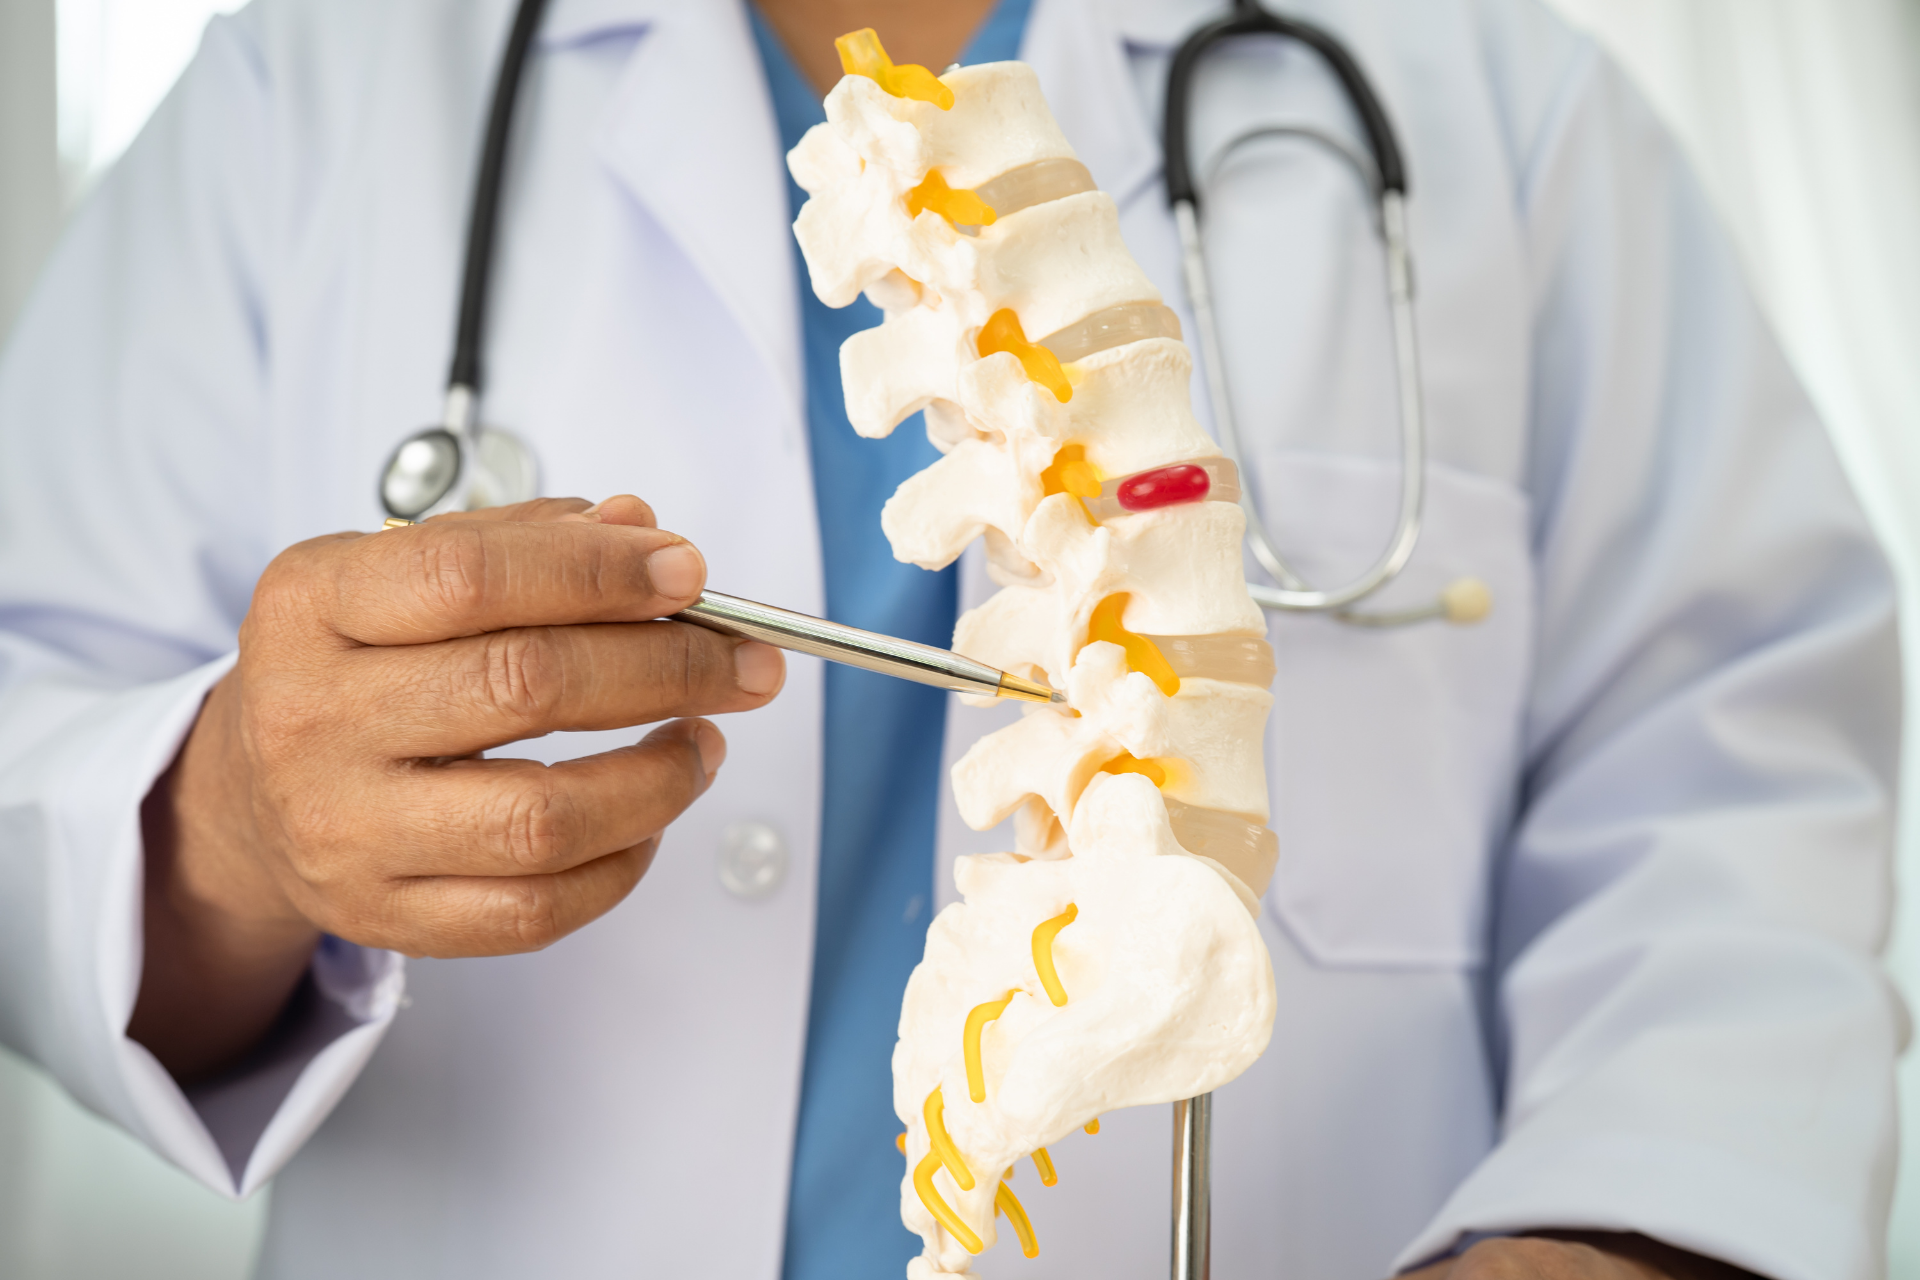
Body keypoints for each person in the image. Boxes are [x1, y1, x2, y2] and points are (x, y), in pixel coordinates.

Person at [0, 0, 1899, 1277]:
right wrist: (229, 826)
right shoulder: (316, 84)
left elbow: (1734, 801)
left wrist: (1618, 1233)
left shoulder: (1492, 90)